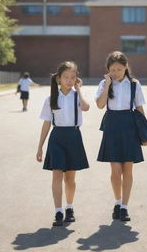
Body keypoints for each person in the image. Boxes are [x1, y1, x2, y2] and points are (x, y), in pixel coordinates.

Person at [95, 51, 147, 222]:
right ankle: (117, 202)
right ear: (108, 70)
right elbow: (100, 105)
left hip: (130, 127)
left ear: (126, 67)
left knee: (128, 170)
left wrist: (144, 134)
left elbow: (139, 109)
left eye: (119, 69)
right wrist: (108, 85)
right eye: (112, 69)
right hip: (112, 126)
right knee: (115, 172)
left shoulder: (134, 84)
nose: (116, 72)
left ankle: (124, 207)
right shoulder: (104, 83)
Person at [36, 61, 90, 226]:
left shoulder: (77, 97)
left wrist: (79, 90)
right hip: (57, 137)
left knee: (70, 178)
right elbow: (46, 124)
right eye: (66, 77)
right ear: (59, 79)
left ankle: (69, 208)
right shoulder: (51, 98)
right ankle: (58, 211)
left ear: (77, 79)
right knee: (57, 175)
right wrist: (40, 147)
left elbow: (86, 107)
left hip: (74, 136)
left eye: (73, 77)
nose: (69, 80)